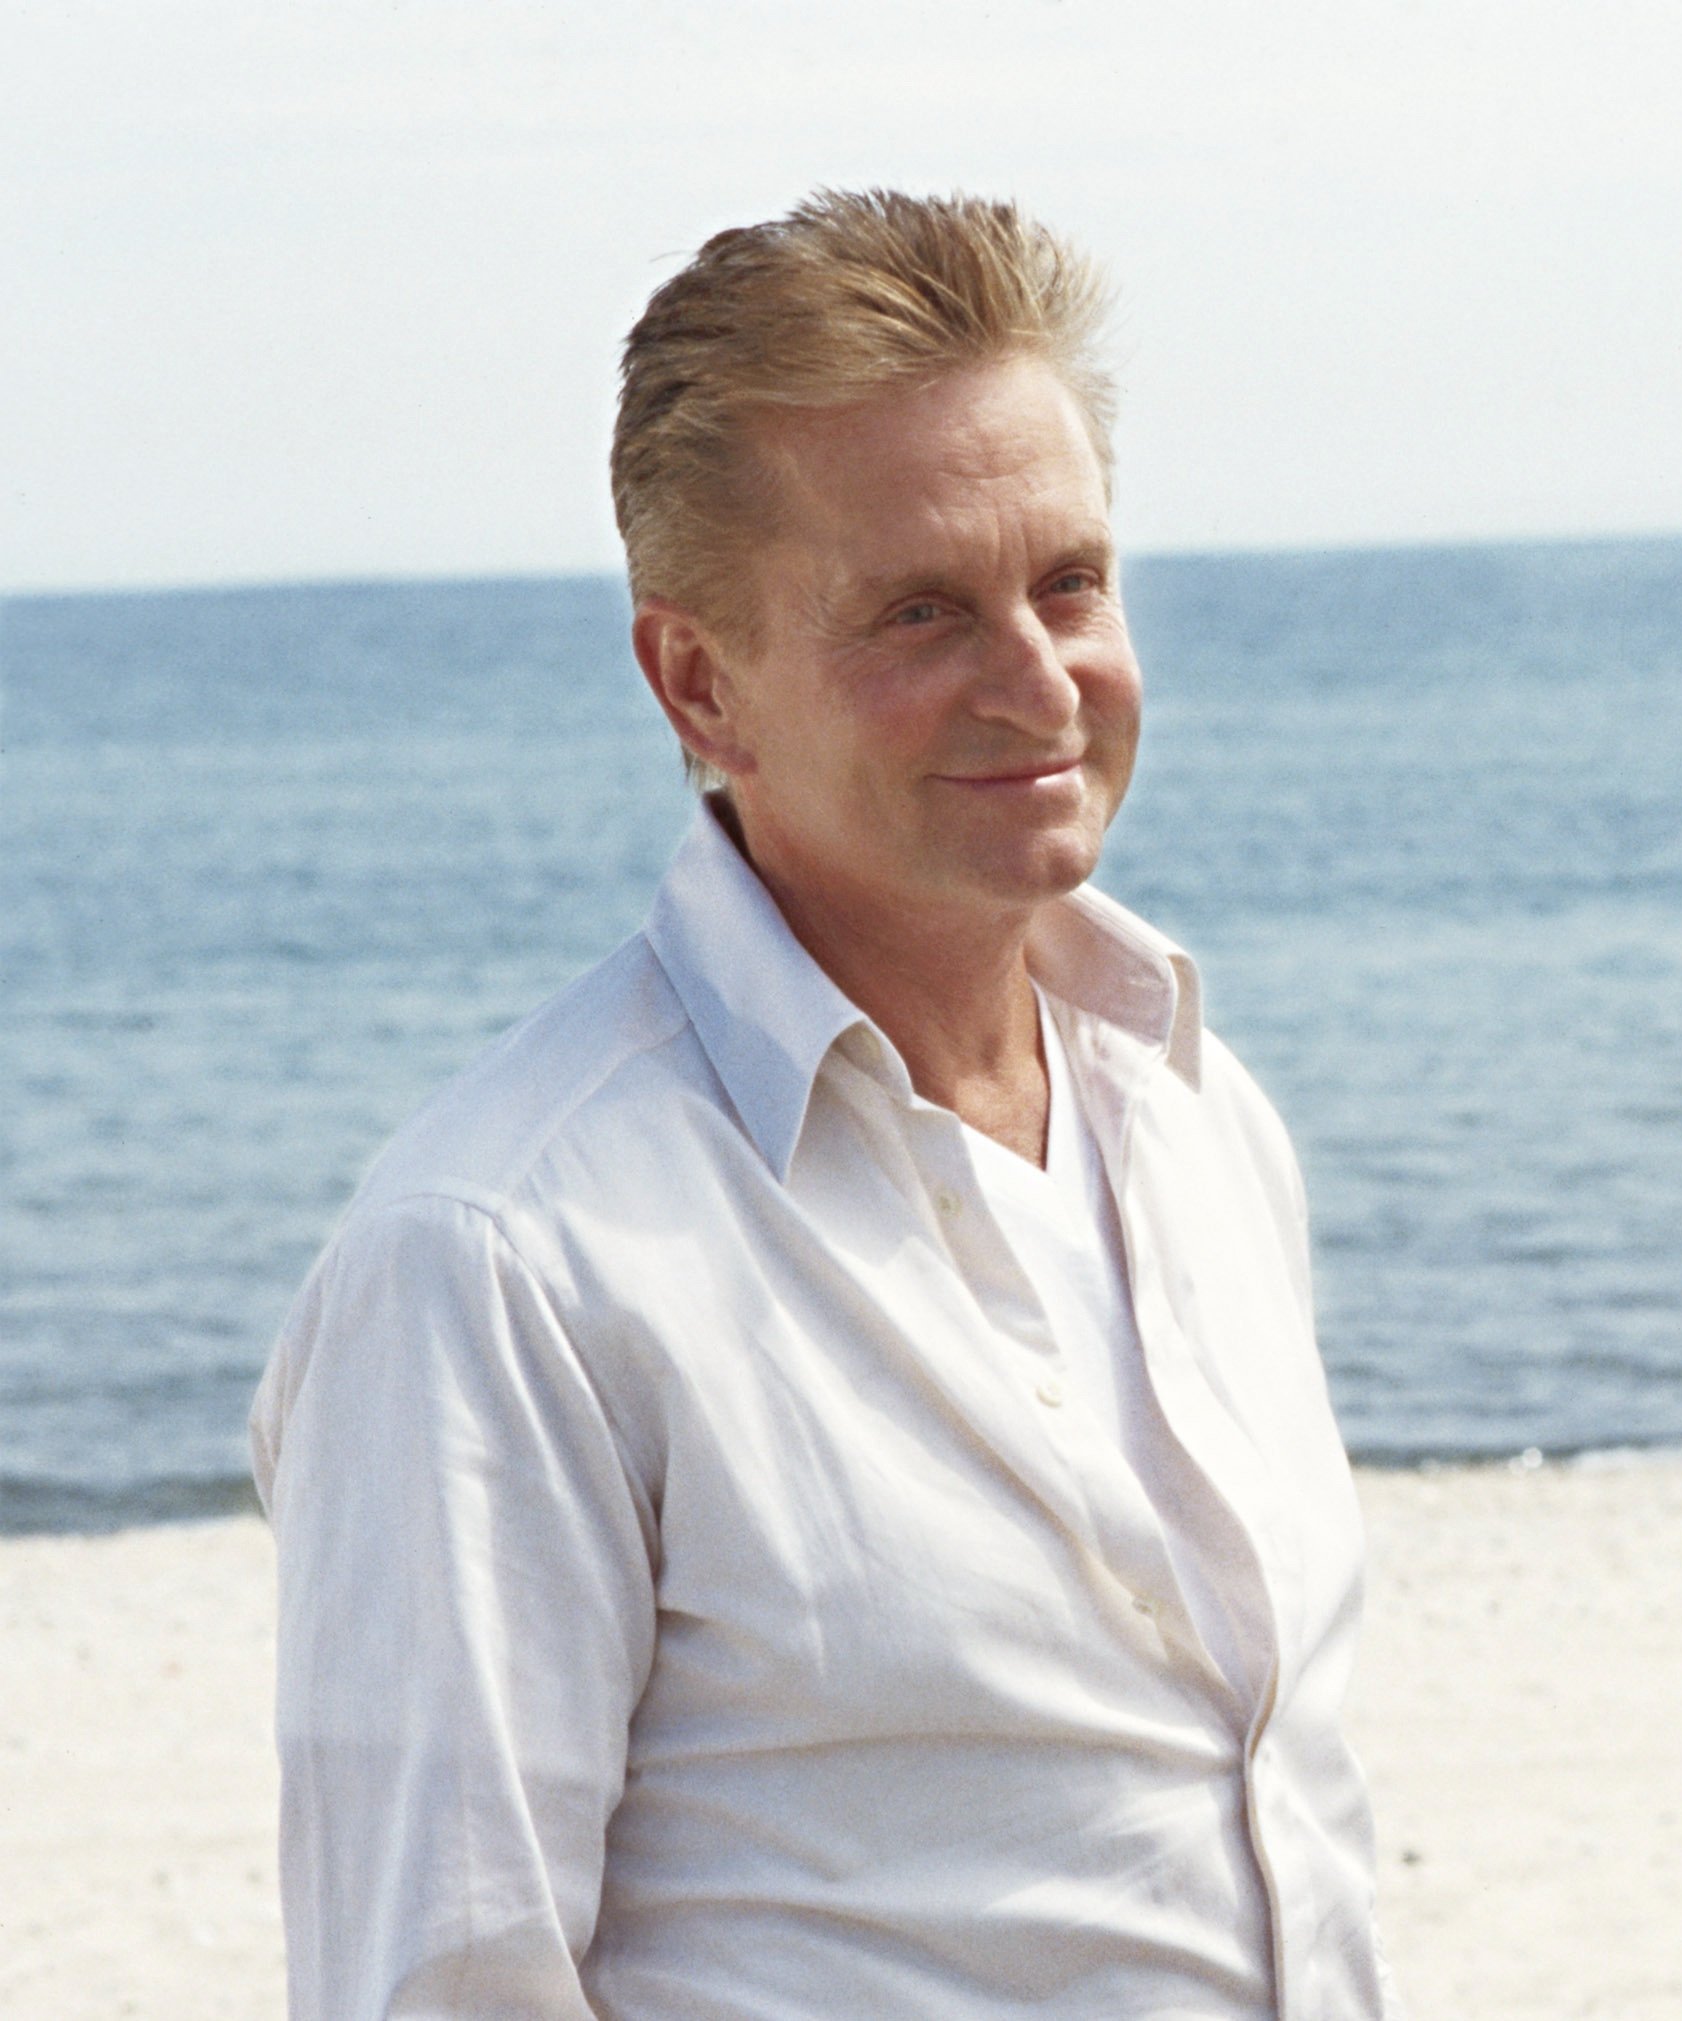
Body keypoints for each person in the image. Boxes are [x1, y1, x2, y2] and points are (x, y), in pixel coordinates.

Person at [252, 190, 1394, 2019]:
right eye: (921, 611)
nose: (1038, 680)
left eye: (1070, 582)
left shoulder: (1199, 1118)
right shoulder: (496, 1264)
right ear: (700, 681)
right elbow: (438, 1982)